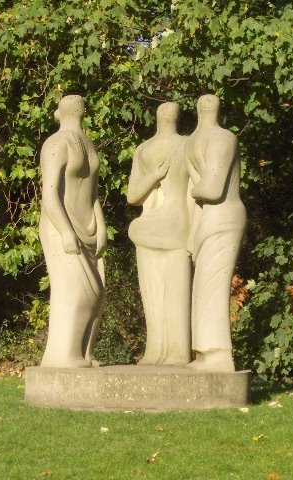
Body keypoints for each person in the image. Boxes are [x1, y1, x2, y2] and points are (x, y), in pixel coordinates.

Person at [39, 95, 107, 368]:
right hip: (61, 225)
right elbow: (49, 194)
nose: (77, 103)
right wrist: (66, 231)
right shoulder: (56, 143)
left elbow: (93, 194)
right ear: (62, 111)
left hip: (87, 225)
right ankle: (65, 355)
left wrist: (101, 227)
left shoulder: (88, 144)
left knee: (97, 294)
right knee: (76, 292)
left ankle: (84, 353)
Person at [185, 94, 247, 372]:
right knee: (203, 288)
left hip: (224, 217)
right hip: (209, 219)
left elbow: (211, 188)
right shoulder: (195, 141)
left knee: (214, 288)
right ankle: (206, 354)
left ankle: (220, 355)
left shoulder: (223, 138)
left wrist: (195, 186)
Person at [127, 102, 191, 366]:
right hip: (151, 229)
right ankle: (156, 350)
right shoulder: (143, 149)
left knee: (173, 293)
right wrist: (154, 175)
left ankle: (176, 352)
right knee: (153, 295)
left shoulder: (188, 145)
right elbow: (133, 196)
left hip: (177, 229)